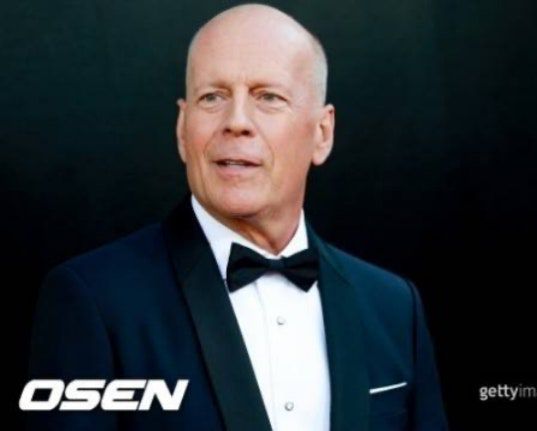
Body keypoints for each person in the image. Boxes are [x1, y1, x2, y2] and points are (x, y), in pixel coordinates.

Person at [27, 4, 448, 430]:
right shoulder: (93, 300)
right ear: (182, 128)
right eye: (213, 97)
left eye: (268, 97)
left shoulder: (394, 307)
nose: (237, 122)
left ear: (322, 133)